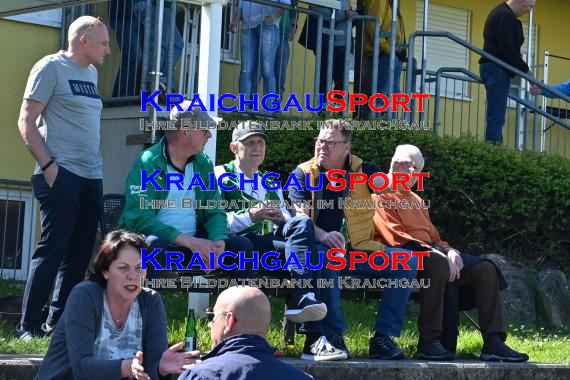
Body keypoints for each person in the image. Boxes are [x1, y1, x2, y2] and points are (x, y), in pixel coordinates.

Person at [372, 144, 529, 362]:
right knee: (437, 263)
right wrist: (441, 254)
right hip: (403, 256)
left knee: (484, 268)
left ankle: (494, 343)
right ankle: (429, 342)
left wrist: (451, 250)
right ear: (393, 164)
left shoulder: (417, 201)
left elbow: (436, 238)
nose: (410, 171)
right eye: (406, 164)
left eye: (415, 168)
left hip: (432, 253)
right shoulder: (380, 194)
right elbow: (395, 237)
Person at [214, 121, 347, 361]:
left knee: (304, 228)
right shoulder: (220, 175)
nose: (257, 147)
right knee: (305, 253)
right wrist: (251, 215)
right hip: (234, 244)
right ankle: (312, 334)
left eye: (261, 143)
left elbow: (288, 222)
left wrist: (281, 219)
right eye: (250, 143)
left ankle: (307, 311)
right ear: (234, 147)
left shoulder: (270, 181)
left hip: (266, 243)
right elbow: (213, 222)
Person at [289, 120, 419, 360]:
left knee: (407, 261)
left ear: (346, 147)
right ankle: (332, 334)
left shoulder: (363, 169)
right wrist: (324, 235)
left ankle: (383, 338)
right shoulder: (302, 173)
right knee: (330, 257)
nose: (321, 147)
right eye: (319, 141)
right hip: (322, 250)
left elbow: (386, 185)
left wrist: (397, 174)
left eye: (330, 143)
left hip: (359, 250)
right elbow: (300, 218)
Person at [16, 16, 111, 339]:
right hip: (60, 173)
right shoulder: (50, 67)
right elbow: (26, 120)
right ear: (83, 40)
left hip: (90, 175)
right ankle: (27, 326)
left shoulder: (92, 73)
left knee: (80, 253)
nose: (108, 50)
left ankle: (56, 325)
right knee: (52, 250)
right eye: (103, 43)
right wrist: (49, 167)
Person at [36, 230, 197, 379]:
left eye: (140, 267)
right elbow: (81, 367)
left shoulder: (151, 301)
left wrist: (160, 368)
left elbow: (151, 368)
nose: (133, 276)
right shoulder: (84, 296)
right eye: (123, 268)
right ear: (105, 271)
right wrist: (125, 367)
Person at [119, 102, 252, 279]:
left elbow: (215, 209)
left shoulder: (202, 162)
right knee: (154, 243)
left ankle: (240, 305)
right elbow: (139, 217)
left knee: (241, 246)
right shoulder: (148, 162)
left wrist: (218, 242)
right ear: (184, 132)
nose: (209, 135)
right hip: (160, 246)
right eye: (204, 130)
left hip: (194, 246)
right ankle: (146, 305)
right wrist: (189, 241)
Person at [179, 286, 313, 379]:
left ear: (228, 321)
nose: (210, 324)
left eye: (212, 316)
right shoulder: (302, 378)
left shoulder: (199, 375)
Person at [479, 0, 536, 144]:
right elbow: (509, 49)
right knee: (496, 117)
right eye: (530, 6)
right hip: (496, 69)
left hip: (494, 69)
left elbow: (509, 49)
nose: (530, 11)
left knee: (497, 116)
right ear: (522, 2)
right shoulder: (504, 16)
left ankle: (496, 150)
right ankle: (492, 154)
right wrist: (528, 74)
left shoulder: (505, 15)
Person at [230, 0, 291, 105]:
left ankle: (269, 110)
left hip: (268, 25)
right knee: (246, 70)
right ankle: (244, 109)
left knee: (267, 70)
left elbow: (286, 4)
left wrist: (273, 17)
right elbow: (241, 3)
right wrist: (235, 20)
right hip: (247, 26)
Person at [298, 0, 356, 96]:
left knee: (342, 86)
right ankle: (322, 110)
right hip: (326, 44)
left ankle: (339, 110)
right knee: (324, 84)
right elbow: (316, 9)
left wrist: (352, 16)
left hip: (344, 45)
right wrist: (344, 15)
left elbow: (345, 13)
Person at [363, 0, 406, 96]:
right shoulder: (380, 1)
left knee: (394, 97)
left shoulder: (392, 3)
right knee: (381, 97)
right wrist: (388, 48)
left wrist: (398, 50)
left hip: (393, 56)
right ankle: (374, 111)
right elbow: (373, 28)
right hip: (383, 55)